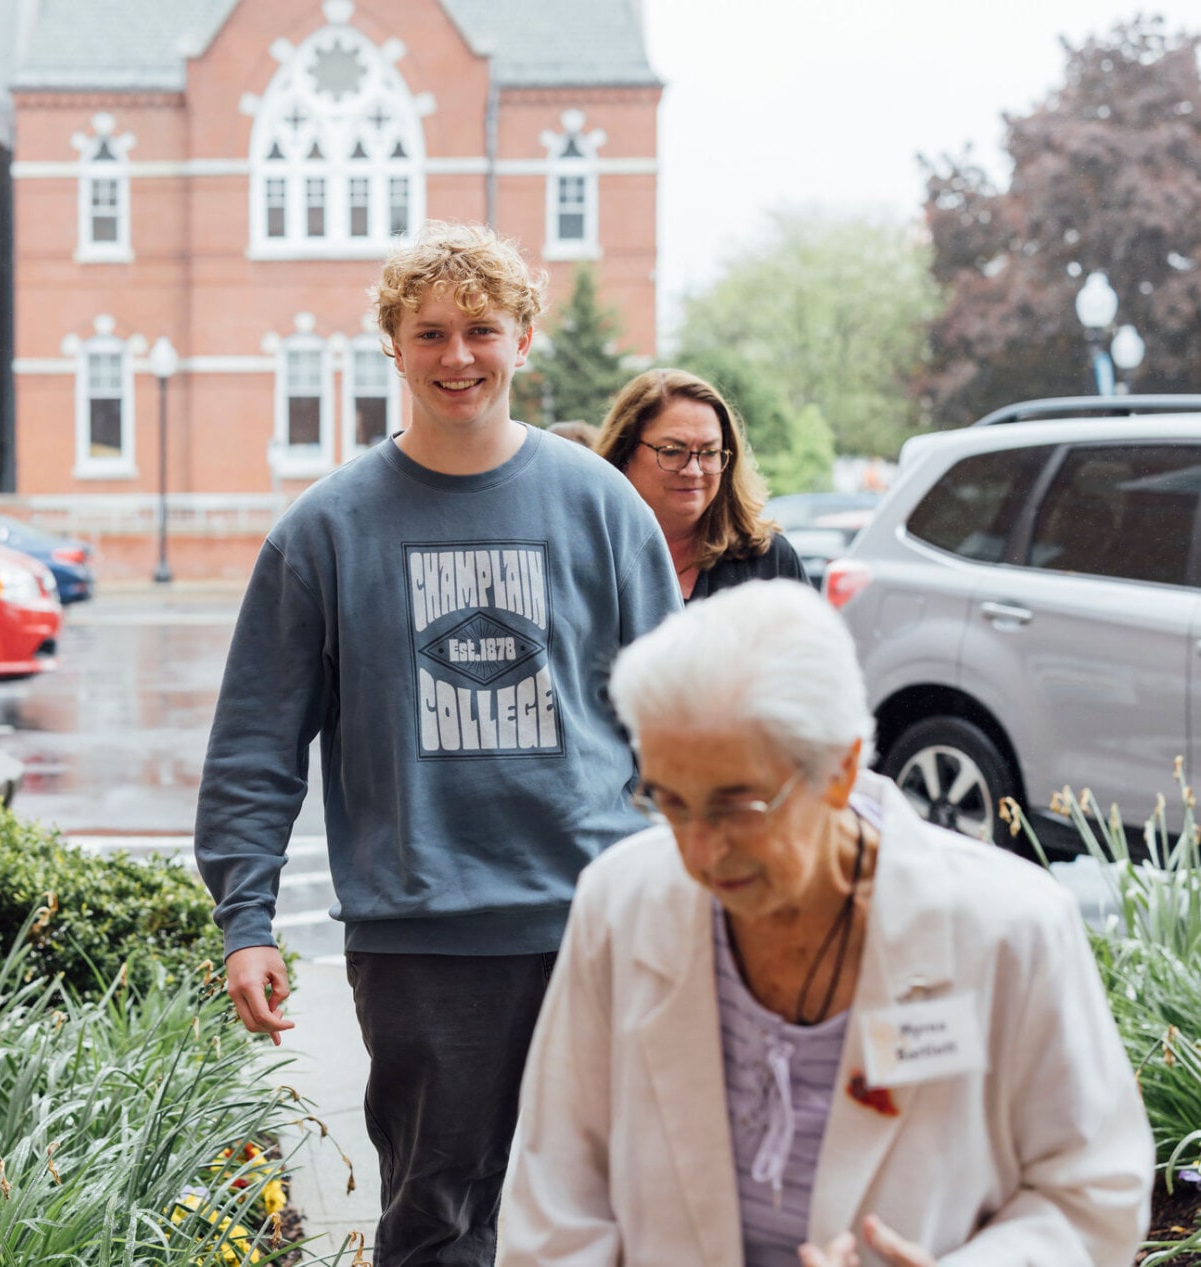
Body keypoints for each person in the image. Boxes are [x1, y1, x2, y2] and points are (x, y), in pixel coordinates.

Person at [194, 222, 681, 1266]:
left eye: (481, 330)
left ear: (522, 339)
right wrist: (246, 918)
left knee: (613, 1213)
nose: (457, 356)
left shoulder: (600, 507)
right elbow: (255, 743)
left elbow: (681, 722)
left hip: (595, 922)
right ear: (395, 346)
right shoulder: (326, 529)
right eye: (430, 333)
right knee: (438, 1224)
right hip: (422, 939)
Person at [498, 581, 1153, 1267]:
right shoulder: (620, 901)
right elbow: (558, 1201)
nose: (699, 851)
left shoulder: (1012, 928)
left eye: (737, 806)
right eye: (671, 803)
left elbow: (1092, 1189)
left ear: (840, 769)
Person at [594, 369, 806, 601]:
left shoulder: (769, 561)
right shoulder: (588, 555)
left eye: (709, 452)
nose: (693, 471)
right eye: (672, 451)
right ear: (624, 454)